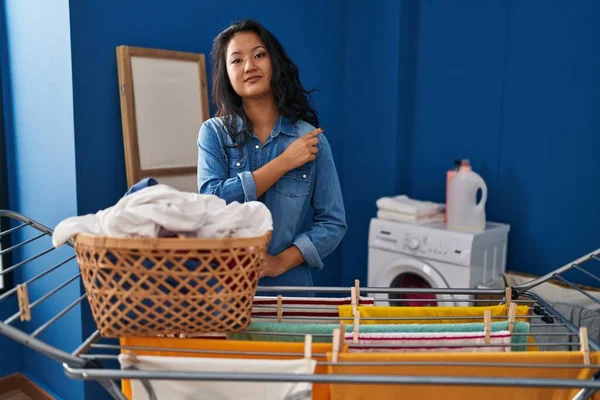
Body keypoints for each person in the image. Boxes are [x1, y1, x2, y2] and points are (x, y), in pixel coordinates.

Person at [197, 20, 347, 290]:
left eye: (259, 55)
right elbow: (211, 203)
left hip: (290, 297)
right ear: (227, 74)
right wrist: (284, 162)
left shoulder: (312, 140)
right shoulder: (213, 133)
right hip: (223, 296)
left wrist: (279, 262)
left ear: (274, 62)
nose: (249, 66)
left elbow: (333, 223)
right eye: (237, 60)